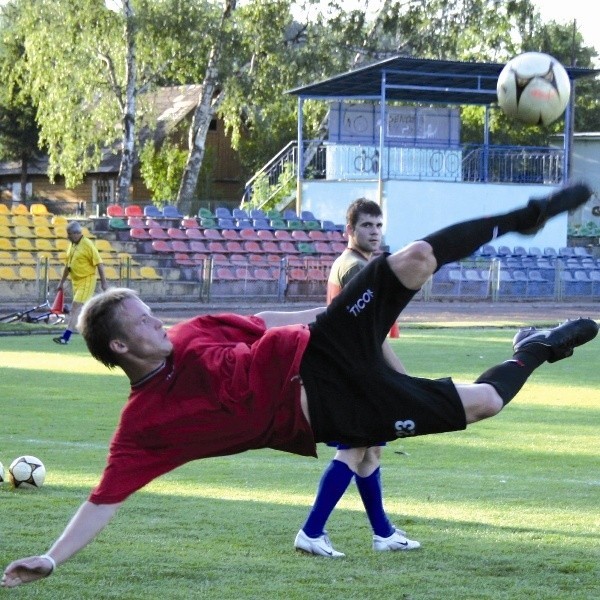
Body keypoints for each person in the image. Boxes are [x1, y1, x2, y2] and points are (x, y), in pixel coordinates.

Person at [3, 183, 598, 588]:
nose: (161, 322)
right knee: (485, 402)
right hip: (336, 410)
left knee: (414, 256)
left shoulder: (194, 330)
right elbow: (103, 499)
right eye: (145, 321)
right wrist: (52, 557)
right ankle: (535, 348)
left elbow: (272, 325)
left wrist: (347, 317)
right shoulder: (145, 426)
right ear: (121, 347)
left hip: (324, 345)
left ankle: (523, 216)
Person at [295, 198, 419, 558]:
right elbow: (371, 338)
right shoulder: (355, 269)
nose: (374, 232)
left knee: (370, 449)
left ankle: (383, 533)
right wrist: (401, 378)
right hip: (355, 371)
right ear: (349, 230)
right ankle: (312, 530)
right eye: (366, 225)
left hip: (351, 368)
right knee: (355, 447)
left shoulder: (359, 265)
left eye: (379, 226)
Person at [53, 221, 108, 345]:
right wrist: (61, 282)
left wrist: (104, 282)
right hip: (76, 282)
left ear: (78, 233)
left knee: (75, 307)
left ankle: (66, 337)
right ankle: (100, 329)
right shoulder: (72, 245)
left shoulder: (88, 245)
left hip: (87, 280)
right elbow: (68, 265)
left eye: (70, 234)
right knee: (83, 310)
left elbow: (99, 263)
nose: (68, 236)